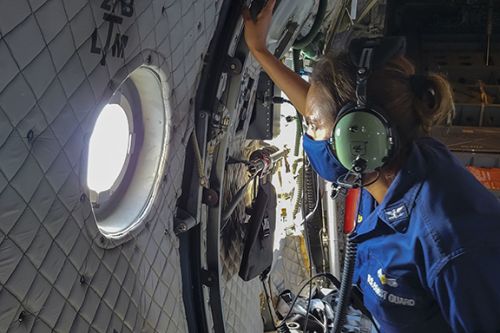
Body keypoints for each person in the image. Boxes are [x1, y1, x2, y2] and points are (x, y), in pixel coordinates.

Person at [242, 1, 500, 332]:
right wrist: (260, 51)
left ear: (358, 140)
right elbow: (318, 106)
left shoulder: (452, 245)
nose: (310, 135)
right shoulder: (394, 153)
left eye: (313, 126)